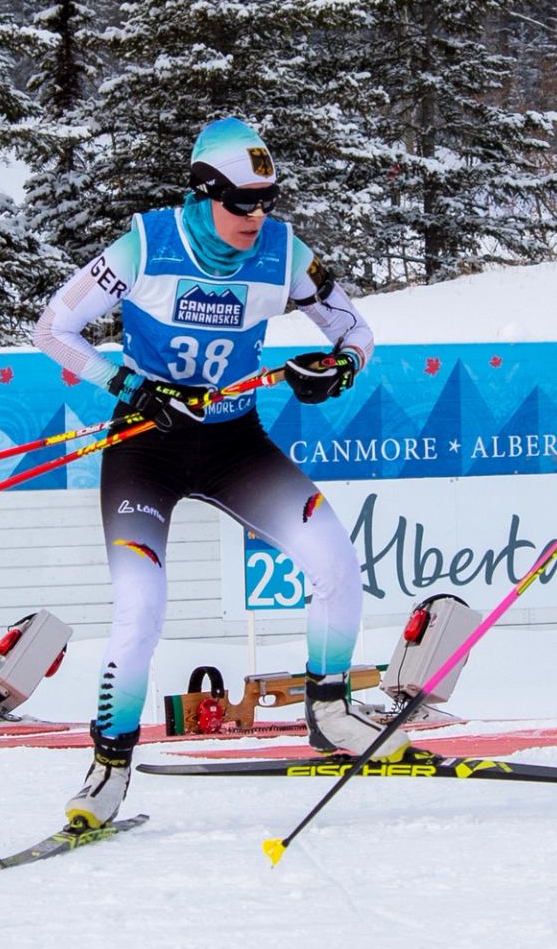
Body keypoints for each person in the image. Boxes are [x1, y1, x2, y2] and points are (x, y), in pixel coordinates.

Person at [30, 115, 402, 831]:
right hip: (148, 442)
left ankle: (329, 711)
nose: (255, 217)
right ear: (204, 194)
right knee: (142, 603)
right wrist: (125, 384)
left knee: (334, 560)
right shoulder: (146, 245)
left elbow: (355, 332)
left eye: (266, 200)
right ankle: (109, 764)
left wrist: (338, 368)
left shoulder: (284, 253)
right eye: (240, 202)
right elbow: (53, 329)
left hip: (235, 443)